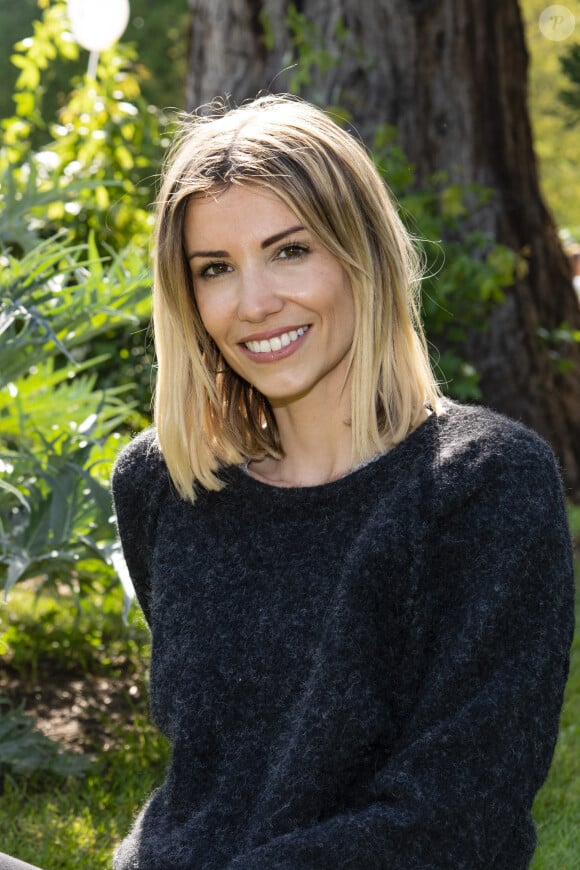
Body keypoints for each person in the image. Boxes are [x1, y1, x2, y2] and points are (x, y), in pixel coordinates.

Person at [111, 94, 574, 869]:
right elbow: (212, 778)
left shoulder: (484, 489)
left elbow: (455, 814)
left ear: (361, 253)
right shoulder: (164, 483)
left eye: (290, 250)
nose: (254, 303)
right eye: (215, 269)